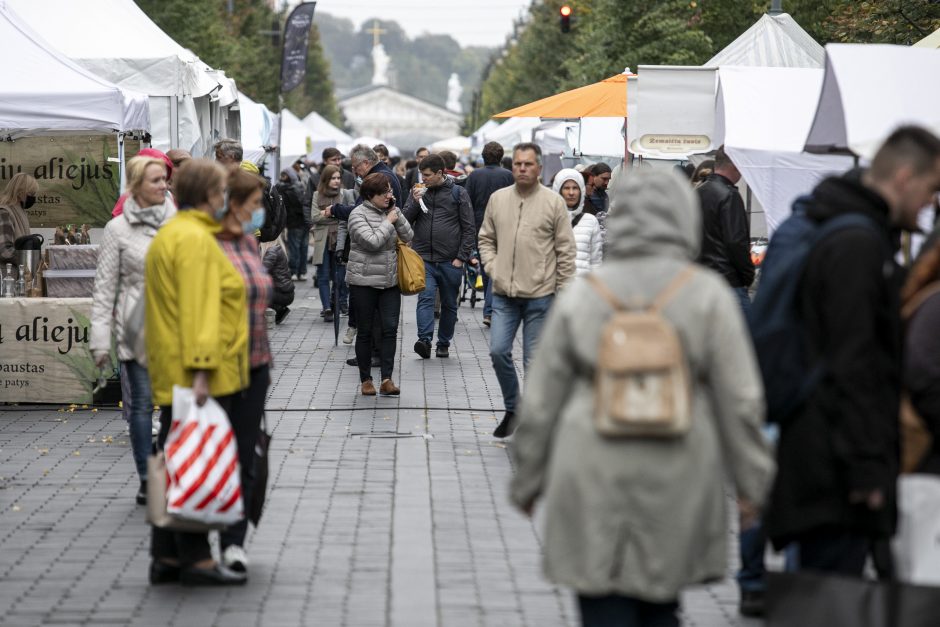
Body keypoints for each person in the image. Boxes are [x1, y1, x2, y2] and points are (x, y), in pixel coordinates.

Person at [509, 168, 774, 627]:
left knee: (601, 597)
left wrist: (528, 479)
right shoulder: (706, 296)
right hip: (679, 465)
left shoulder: (585, 297)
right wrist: (754, 484)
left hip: (591, 468)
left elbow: (543, 399)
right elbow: (740, 400)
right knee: (660, 601)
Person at [765, 126, 940, 577]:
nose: (928, 205)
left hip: (826, 462)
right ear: (904, 177)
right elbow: (855, 365)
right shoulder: (858, 246)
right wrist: (866, 472)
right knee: (830, 600)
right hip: (836, 473)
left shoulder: (846, 231)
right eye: (929, 188)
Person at [145, 159, 249, 586]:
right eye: (221, 189)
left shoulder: (174, 233)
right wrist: (204, 370)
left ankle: (166, 554)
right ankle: (195, 557)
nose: (224, 196)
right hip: (196, 371)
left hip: (175, 364)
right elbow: (201, 309)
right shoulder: (194, 240)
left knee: (175, 457)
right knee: (195, 463)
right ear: (208, 194)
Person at [90, 156, 175, 506]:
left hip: (175, 328)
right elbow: (105, 288)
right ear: (136, 186)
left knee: (174, 407)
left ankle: (165, 459)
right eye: (155, 180)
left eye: (165, 179)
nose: (163, 186)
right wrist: (99, 340)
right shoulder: (118, 230)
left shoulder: (179, 223)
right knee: (141, 405)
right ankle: (146, 478)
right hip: (136, 329)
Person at [478, 142, 576, 438]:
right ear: (512, 166)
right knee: (497, 351)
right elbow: (485, 238)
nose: (522, 168)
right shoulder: (498, 199)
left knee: (533, 361)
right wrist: (494, 268)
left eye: (528, 164)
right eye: (518, 164)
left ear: (539, 168)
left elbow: (566, 251)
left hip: (541, 295)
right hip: (505, 293)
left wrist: (564, 292)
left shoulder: (553, 203)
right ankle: (513, 406)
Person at [215, 168, 273, 574]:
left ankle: (234, 542)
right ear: (235, 205)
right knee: (216, 456)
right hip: (217, 367)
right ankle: (196, 537)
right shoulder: (210, 245)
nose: (261, 212)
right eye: (255, 205)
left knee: (246, 454)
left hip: (255, 364)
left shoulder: (249, 244)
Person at [346, 173, 413, 396]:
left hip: (389, 281)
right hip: (363, 282)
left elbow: (408, 235)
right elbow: (372, 242)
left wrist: (397, 214)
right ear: (370, 195)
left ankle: (387, 379)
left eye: (390, 191)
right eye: (384, 192)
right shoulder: (357, 215)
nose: (389, 195)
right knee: (365, 331)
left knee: (390, 330)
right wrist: (388, 222)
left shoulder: (392, 211)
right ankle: (366, 380)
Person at [403, 154, 476, 359]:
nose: (423, 178)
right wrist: (415, 201)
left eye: (427, 175)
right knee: (425, 298)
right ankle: (424, 340)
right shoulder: (418, 192)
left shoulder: (458, 193)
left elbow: (469, 228)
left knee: (449, 304)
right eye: (421, 174)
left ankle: (443, 342)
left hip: (450, 260)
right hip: (423, 258)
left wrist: (461, 257)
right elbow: (404, 220)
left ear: (440, 174)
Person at [695, 147, 754, 312]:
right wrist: (748, 275)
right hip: (729, 282)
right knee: (746, 335)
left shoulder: (697, 193)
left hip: (702, 281)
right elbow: (736, 241)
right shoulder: (729, 196)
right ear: (735, 164)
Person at [465, 141, 515, 326]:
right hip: (503, 226)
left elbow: (467, 202)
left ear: (483, 157)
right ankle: (491, 308)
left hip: (480, 226)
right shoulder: (509, 176)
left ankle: (489, 307)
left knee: (487, 266)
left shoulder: (475, 175)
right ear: (501, 157)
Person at [311, 164, 355, 321]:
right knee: (323, 276)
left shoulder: (344, 194)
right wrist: (335, 214)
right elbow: (314, 217)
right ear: (326, 179)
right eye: (333, 178)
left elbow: (348, 215)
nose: (336, 181)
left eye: (338, 178)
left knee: (340, 276)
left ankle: (338, 302)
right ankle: (327, 308)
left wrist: (328, 213)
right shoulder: (317, 195)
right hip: (323, 239)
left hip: (340, 238)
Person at [551, 169, 602, 275]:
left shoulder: (591, 221)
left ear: (581, 191)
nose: (571, 193)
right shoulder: (548, 220)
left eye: (575, 188)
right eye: (566, 188)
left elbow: (596, 263)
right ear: (558, 191)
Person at [111, 148, 175, 218]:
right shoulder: (128, 198)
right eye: (155, 180)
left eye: (163, 178)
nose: (163, 186)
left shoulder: (168, 197)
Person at [0, 173, 37, 269]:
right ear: (20, 192)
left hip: (19, 274)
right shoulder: (5, 212)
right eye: (31, 193)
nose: (33, 197)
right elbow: (4, 251)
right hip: (7, 277)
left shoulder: (20, 211)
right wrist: (30, 258)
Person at [280, 166, 308, 280]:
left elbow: (287, 208)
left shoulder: (286, 189)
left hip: (294, 223)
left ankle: (294, 271)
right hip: (304, 222)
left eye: (284, 175)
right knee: (303, 247)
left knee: (294, 247)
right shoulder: (301, 187)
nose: (282, 178)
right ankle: (302, 271)